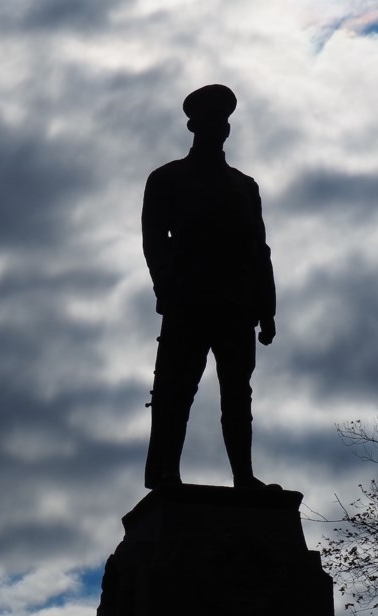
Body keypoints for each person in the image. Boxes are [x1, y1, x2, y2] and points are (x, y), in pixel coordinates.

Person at [141, 84, 277, 491]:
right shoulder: (167, 178)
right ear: (193, 126)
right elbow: (153, 239)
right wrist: (167, 285)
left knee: (238, 394)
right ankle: (167, 473)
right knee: (175, 391)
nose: (220, 129)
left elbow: (259, 248)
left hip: (237, 303)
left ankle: (244, 477)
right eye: (211, 122)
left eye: (224, 122)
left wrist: (266, 308)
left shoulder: (245, 186)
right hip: (189, 298)